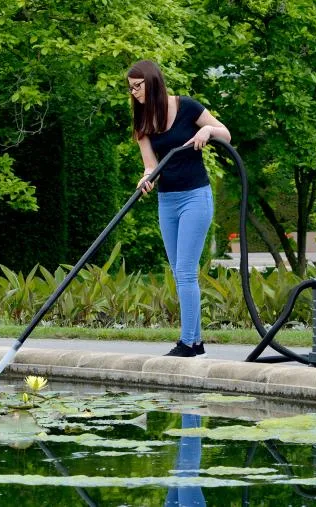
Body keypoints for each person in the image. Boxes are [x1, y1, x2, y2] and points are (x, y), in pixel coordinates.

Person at [127, 60, 231, 358]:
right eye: (130, 88)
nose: (134, 93)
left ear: (153, 82)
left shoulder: (187, 107)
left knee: (186, 271)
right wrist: (146, 178)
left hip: (195, 197)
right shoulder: (142, 121)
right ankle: (196, 342)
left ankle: (186, 343)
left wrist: (208, 131)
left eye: (138, 86)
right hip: (167, 200)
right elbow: (150, 165)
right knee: (178, 272)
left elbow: (226, 133)